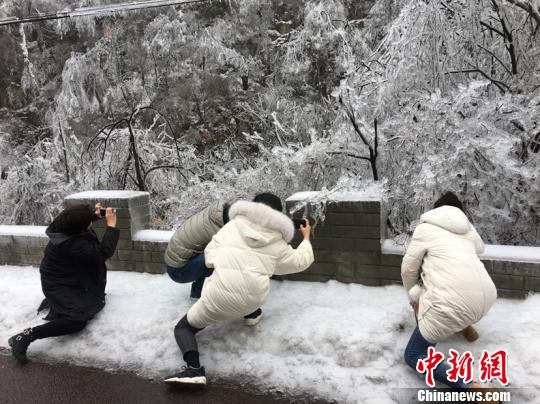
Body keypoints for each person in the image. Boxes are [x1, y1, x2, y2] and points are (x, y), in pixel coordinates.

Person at [164, 193, 314, 386]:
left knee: (183, 328)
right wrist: (307, 238)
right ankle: (252, 314)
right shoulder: (278, 242)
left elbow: (209, 255)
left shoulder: (230, 227)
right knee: (249, 288)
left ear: (252, 207)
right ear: (278, 215)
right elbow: (300, 262)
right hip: (254, 299)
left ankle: (194, 370)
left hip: (218, 300)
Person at [401, 191, 497, 390]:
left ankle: (471, 387)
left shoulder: (425, 229)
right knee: (442, 288)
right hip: (487, 297)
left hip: (451, 303)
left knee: (415, 355)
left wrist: (413, 295)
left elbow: (408, 268)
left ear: (436, 210)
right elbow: (480, 249)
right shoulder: (468, 232)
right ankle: (465, 327)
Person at [8, 203, 119, 364]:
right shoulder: (72, 244)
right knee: (77, 321)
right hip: (58, 283)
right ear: (80, 227)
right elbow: (102, 253)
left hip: (70, 278)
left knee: (92, 301)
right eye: (88, 220)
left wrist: (94, 215)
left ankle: (62, 305)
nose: (90, 222)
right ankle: (25, 336)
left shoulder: (62, 225)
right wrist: (111, 226)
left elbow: (76, 220)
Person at [164, 201, 230, 300]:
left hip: (175, 265)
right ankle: (206, 295)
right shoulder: (215, 230)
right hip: (178, 271)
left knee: (210, 255)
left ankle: (197, 293)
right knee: (216, 257)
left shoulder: (212, 215)